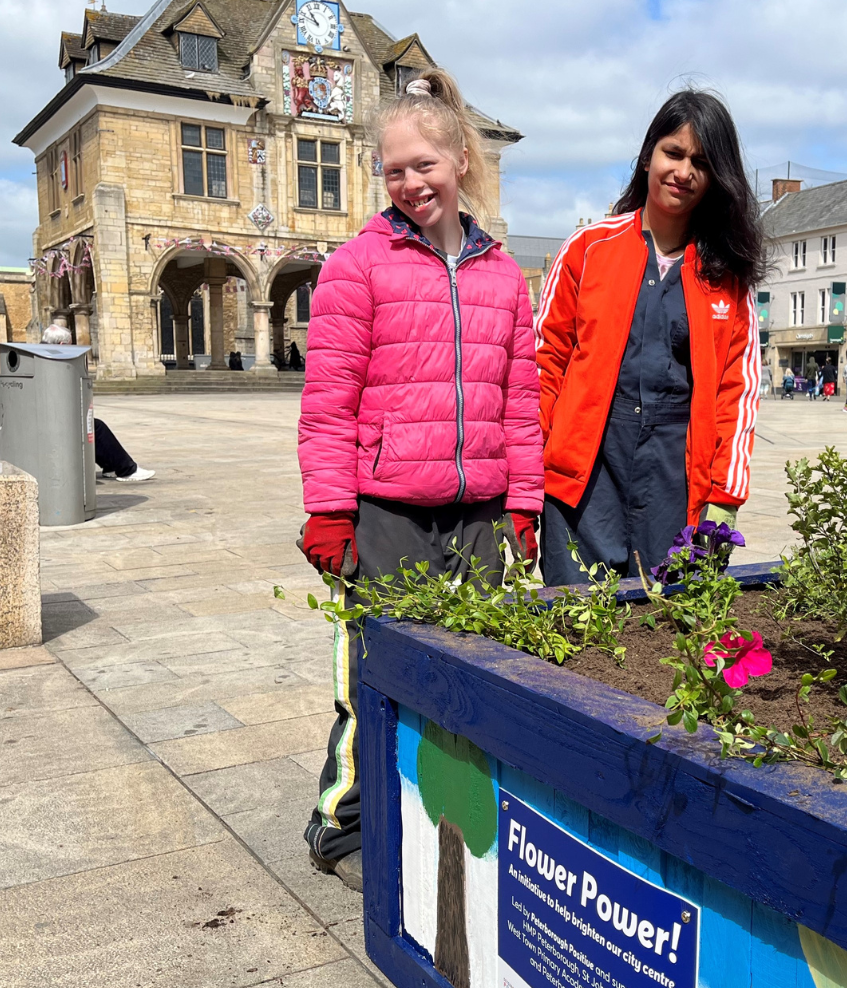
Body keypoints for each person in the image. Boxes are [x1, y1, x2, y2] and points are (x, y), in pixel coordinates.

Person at [295, 69, 543, 889]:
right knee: (375, 670)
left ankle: (438, 812)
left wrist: (525, 501)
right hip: (388, 510)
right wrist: (330, 509)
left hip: (477, 514)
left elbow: (520, 406)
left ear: (462, 160)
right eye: (393, 168)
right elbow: (329, 403)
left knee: (467, 669)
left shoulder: (505, 277)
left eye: (424, 165)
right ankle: (345, 824)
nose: (410, 183)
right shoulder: (358, 267)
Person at [534, 88, 763, 587]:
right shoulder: (589, 250)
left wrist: (724, 498)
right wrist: (532, 476)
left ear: (716, 178)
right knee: (573, 633)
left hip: (677, 485)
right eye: (673, 153)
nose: (683, 172)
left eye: (700, 162)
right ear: (647, 157)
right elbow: (545, 363)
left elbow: (737, 393)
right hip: (584, 483)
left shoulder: (728, 278)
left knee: (662, 641)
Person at [40, 326, 156, 482]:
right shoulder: (51, 360)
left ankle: (111, 466)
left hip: (38, 417)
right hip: (46, 421)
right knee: (95, 427)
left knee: (91, 425)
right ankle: (126, 470)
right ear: (61, 345)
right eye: (70, 344)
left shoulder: (38, 355)